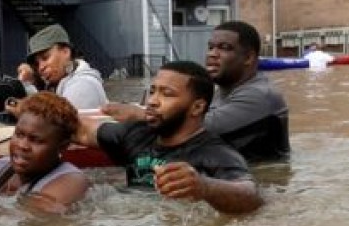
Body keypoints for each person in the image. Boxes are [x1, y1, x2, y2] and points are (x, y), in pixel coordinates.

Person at [75, 61, 263, 215]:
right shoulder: (135, 134)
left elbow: (252, 196)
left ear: (197, 107)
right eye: (152, 91)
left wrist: (204, 187)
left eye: (167, 94)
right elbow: (80, 130)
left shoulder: (216, 154)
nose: (152, 101)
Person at [102, 21, 289, 162]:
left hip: (256, 183)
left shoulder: (261, 95)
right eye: (210, 47)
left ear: (248, 57)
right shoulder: (217, 92)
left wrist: (139, 114)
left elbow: (197, 127)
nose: (212, 54)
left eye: (224, 48)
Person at [0, 92, 90, 213]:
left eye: (36, 140)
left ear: (62, 146)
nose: (22, 145)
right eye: (19, 135)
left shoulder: (72, 182)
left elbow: (36, 221)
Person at [23, 24, 108, 110]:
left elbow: (60, 121)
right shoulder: (60, 82)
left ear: (66, 52)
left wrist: (22, 107)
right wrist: (31, 83)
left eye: (45, 58)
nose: (41, 67)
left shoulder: (81, 85)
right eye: (37, 64)